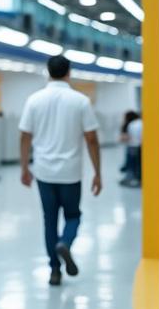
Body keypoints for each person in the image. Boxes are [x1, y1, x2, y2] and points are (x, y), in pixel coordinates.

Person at [19, 54, 102, 286]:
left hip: (44, 172)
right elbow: (92, 139)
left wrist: (24, 167)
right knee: (73, 215)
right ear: (69, 72)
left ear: (48, 72)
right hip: (70, 172)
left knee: (49, 220)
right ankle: (65, 242)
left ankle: (55, 271)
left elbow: (25, 136)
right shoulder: (80, 101)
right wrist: (98, 172)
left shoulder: (34, 100)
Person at [119, 111, 142, 187]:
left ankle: (132, 178)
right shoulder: (141, 122)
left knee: (132, 164)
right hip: (140, 146)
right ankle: (137, 179)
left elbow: (124, 138)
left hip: (133, 146)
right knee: (138, 164)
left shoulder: (131, 124)